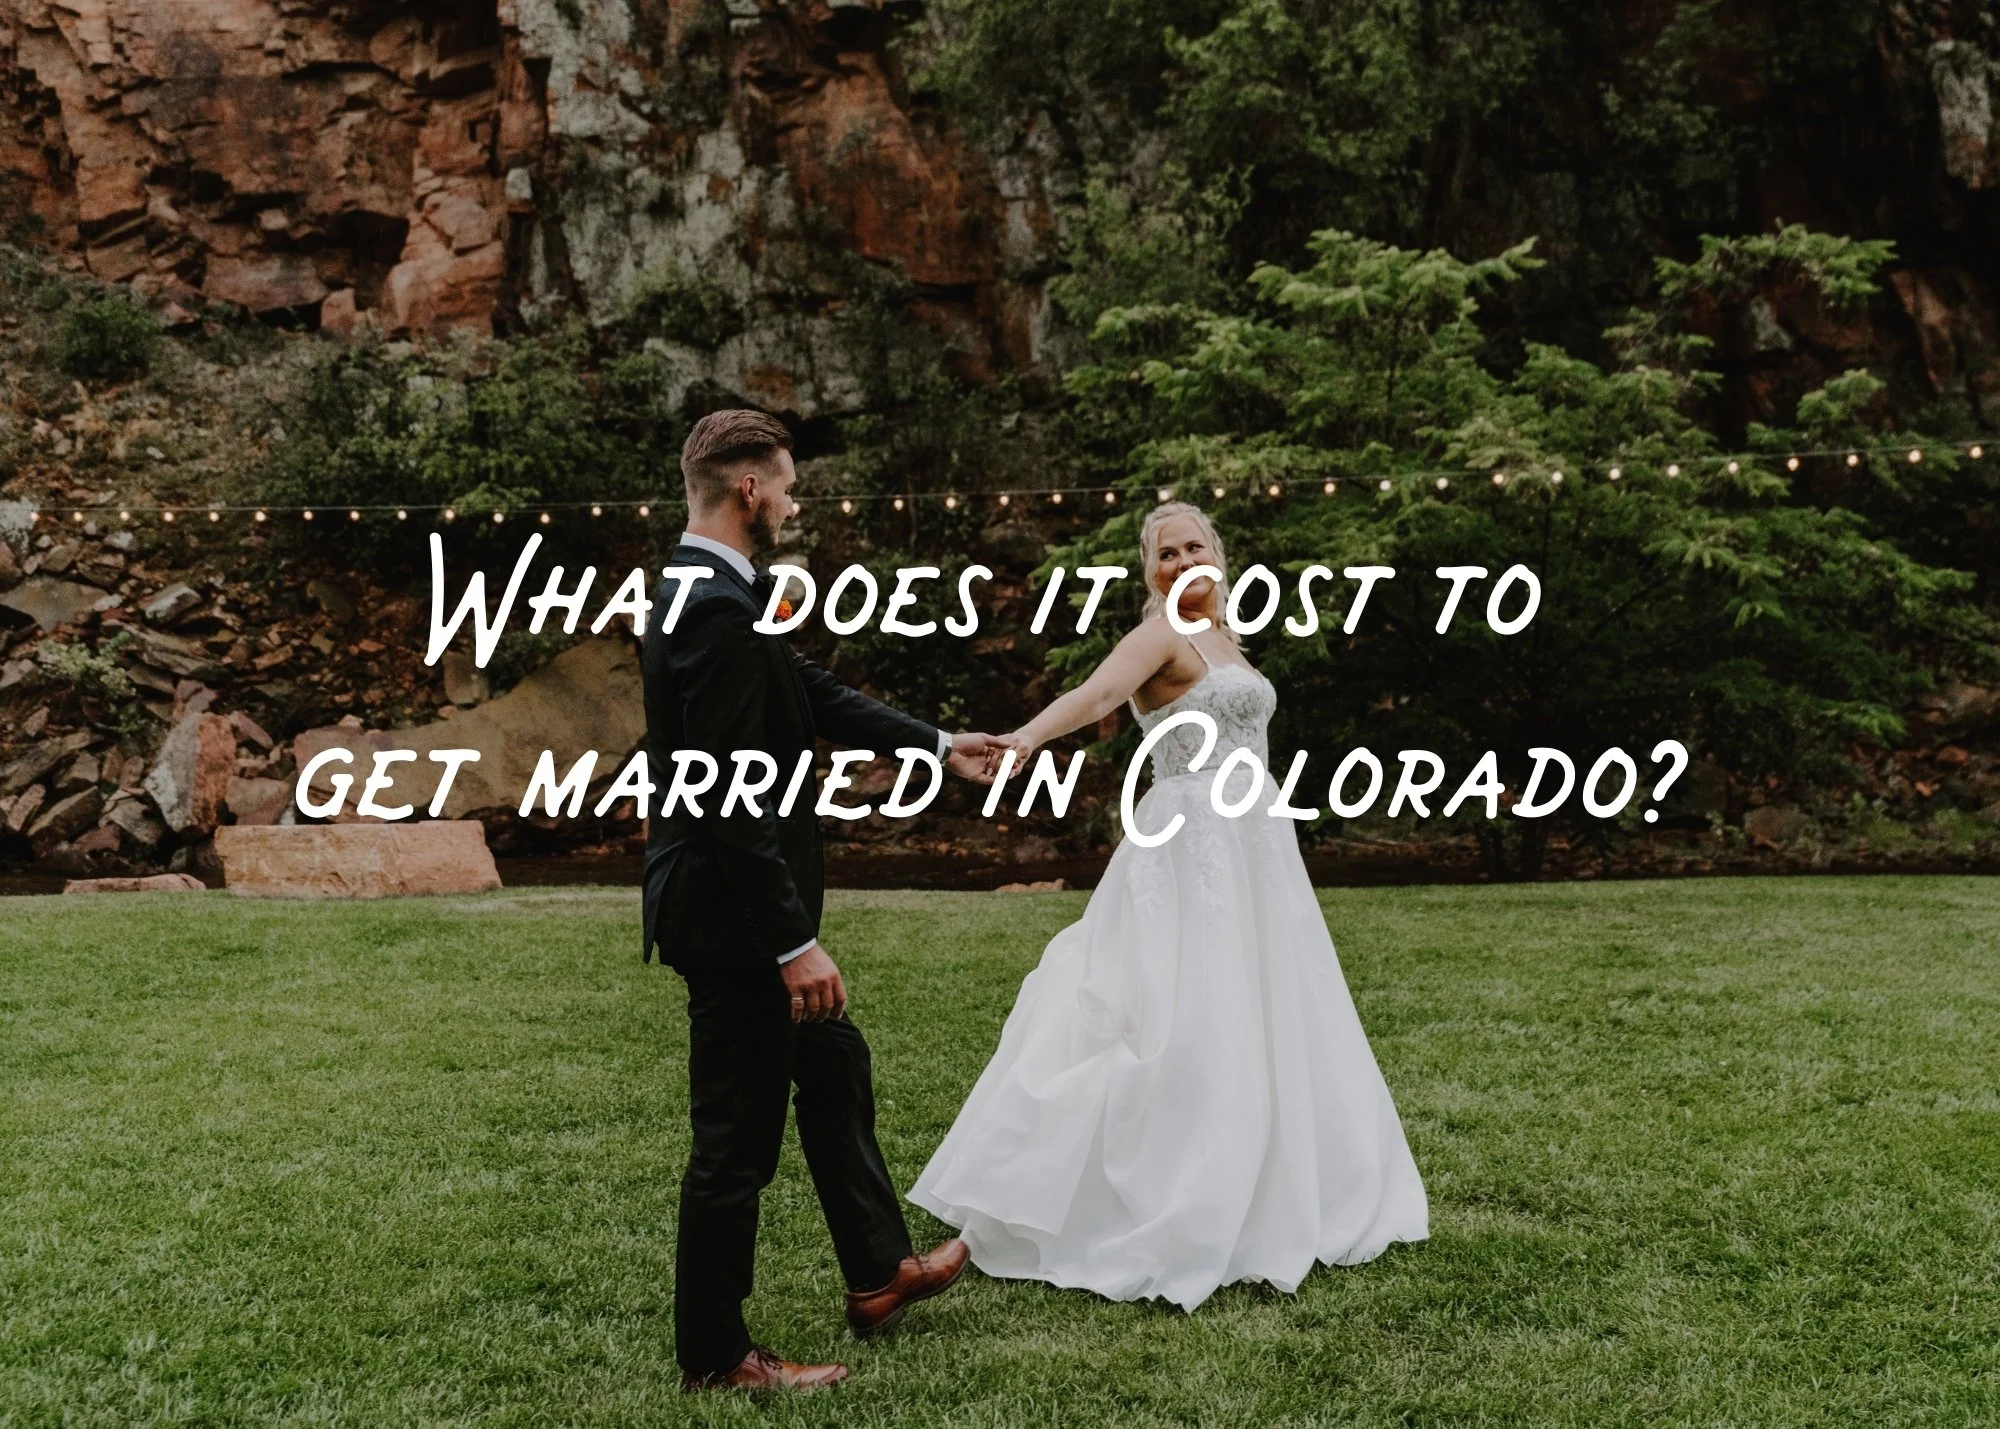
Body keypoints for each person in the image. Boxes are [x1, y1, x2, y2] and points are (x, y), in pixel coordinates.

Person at [909, 501, 1429, 1311]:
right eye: (1163, 552)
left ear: (1217, 556)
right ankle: (1171, 1194)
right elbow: (1095, 694)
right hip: (1192, 841)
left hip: (1256, 841)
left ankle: (1278, 1183)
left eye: (1194, 546)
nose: (1180, 560)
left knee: (1267, 1004)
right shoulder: (1158, 637)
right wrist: (1021, 740)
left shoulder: (1226, 639)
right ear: (1149, 570)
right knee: (1186, 1010)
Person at [643, 409, 1001, 1393]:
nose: (795, 502)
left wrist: (933, 742)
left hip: (732, 906)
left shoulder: (713, 590)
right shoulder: (710, 603)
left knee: (832, 1055)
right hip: (730, 918)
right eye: (788, 485)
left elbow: (804, 689)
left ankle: (879, 1272)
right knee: (734, 1147)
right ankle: (717, 1358)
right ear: (746, 488)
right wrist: (791, 941)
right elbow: (723, 792)